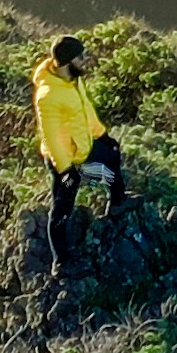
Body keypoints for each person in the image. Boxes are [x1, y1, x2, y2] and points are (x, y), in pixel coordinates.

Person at [33, 33, 114, 257]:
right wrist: (66, 170)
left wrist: (102, 135)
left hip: (82, 147)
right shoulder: (48, 95)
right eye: (81, 57)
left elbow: (85, 109)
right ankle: (61, 260)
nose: (85, 60)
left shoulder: (73, 79)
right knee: (62, 209)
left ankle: (118, 202)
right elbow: (50, 137)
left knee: (112, 155)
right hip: (64, 160)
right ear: (68, 62)